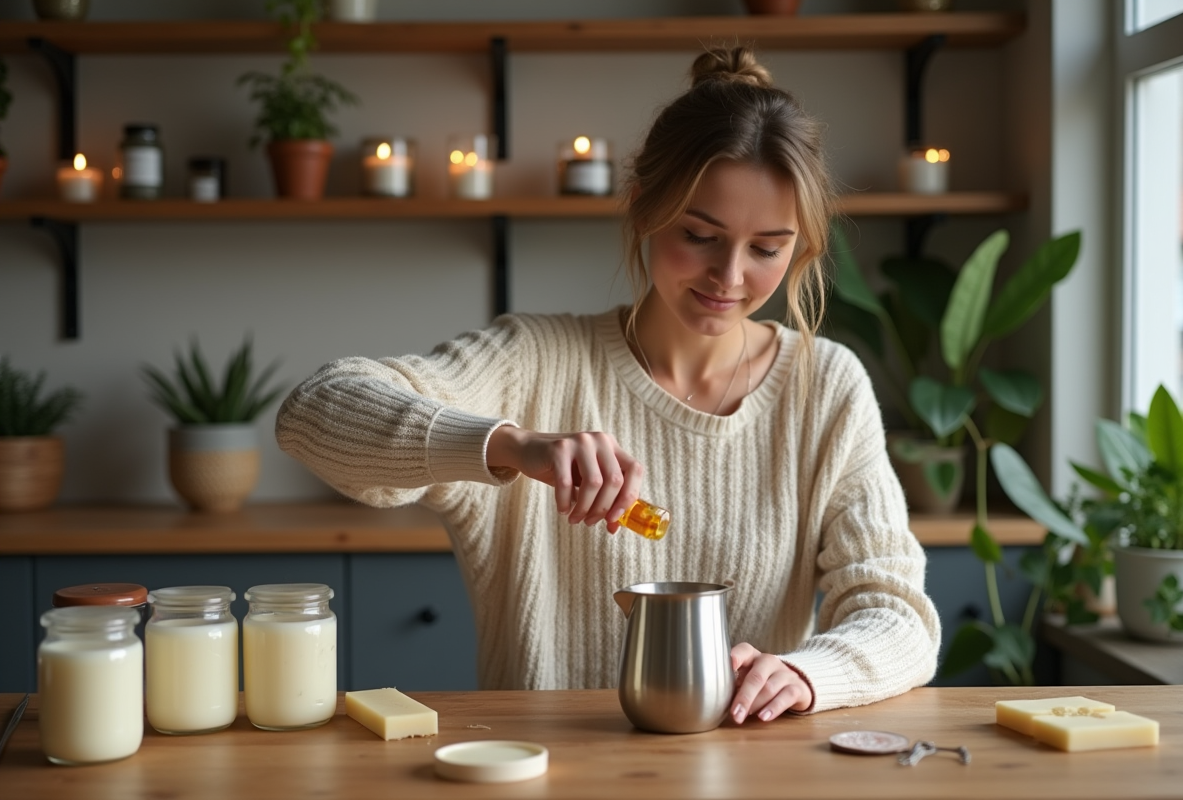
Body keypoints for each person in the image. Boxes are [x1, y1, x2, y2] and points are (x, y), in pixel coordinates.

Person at [276, 46, 941, 722]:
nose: (730, 277)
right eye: (699, 234)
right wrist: (513, 445)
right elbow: (312, 414)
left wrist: (804, 673)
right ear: (641, 207)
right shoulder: (535, 362)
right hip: (537, 769)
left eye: (767, 249)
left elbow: (897, 615)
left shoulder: (826, 387)